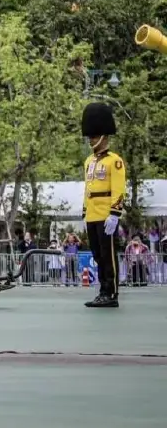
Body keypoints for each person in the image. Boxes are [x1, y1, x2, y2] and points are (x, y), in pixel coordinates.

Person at [81, 101, 125, 308]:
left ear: (104, 136)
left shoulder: (114, 161)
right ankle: (102, 290)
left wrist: (115, 213)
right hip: (92, 214)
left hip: (106, 214)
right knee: (98, 256)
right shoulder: (89, 161)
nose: (91, 140)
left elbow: (118, 188)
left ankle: (112, 292)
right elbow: (87, 189)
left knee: (109, 256)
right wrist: (84, 213)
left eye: (94, 136)